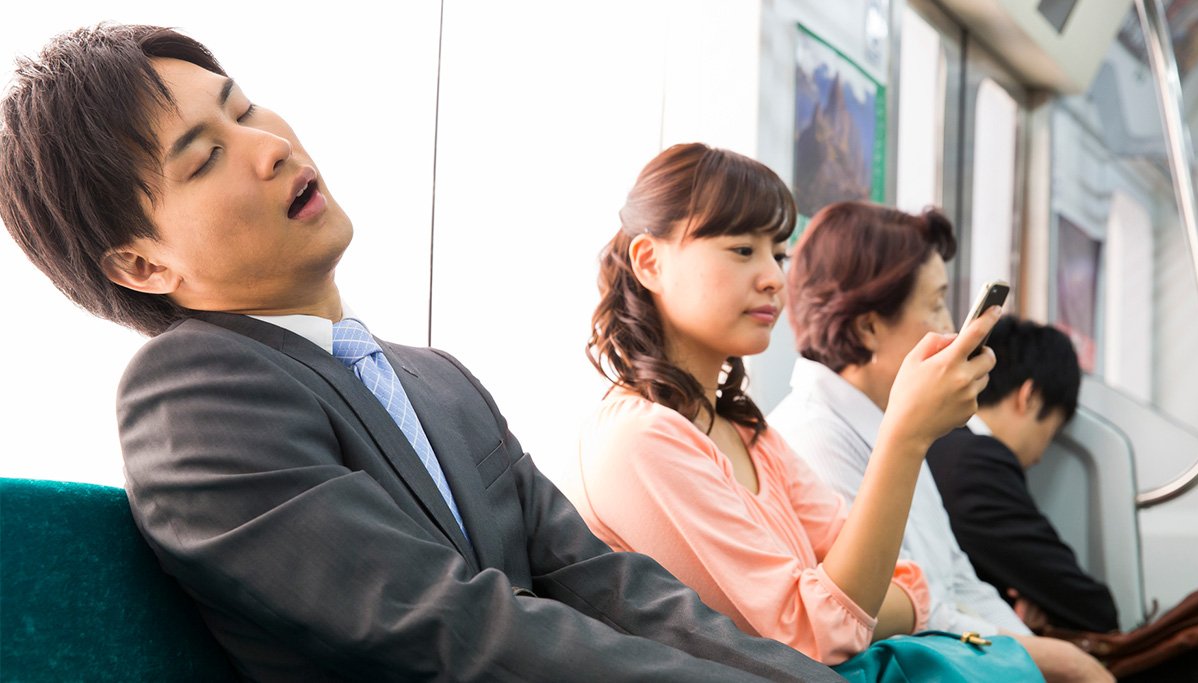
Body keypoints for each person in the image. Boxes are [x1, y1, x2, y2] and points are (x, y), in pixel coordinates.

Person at [0, 24, 845, 681]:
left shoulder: (438, 379)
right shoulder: (190, 394)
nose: (271, 145)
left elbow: (607, 581)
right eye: (206, 156)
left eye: (244, 109)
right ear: (141, 265)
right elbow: (453, 628)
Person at [571, 143, 1021, 672]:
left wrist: (845, 604)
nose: (773, 278)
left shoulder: (747, 432)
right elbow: (811, 637)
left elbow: (903, 581)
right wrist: (905, 434)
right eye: (743, 250)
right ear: (650, 262)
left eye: (779, 255)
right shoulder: (641, 441)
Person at [768, 200, 1112, 682]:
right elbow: (901, 616)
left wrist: (1028, 656)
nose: (950, 327)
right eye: (935, 304)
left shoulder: (888, 425)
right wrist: (1055, 660)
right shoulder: (814, 439)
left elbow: (957, 580)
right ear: (869, 328)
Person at [927, 316, 1198, 683]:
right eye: (1051, 432)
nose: (1041, 456)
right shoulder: (974, 460)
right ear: (1030, 396)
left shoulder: (942, 450)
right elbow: (1091, 607)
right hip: (1024, 659)